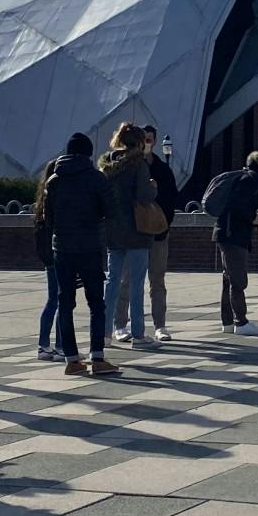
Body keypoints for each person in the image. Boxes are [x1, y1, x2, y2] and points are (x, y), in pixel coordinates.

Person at [40, 131, 120, 375]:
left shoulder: (54, 180)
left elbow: (48, 218)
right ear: (88, 153)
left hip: (62, 248)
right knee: (96, 302)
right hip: (89, 246)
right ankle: (97, 357)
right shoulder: (95, 178)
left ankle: (72, 359)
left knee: (66, 302)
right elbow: (112, 210)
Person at [114, 125, 177, 342]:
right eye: (144, 140)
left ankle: (160, 325)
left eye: (150, 140)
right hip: (134, 234)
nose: (146, 144)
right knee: (127, 280)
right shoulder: (129, 167)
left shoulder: (162, 169)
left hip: (157, 233)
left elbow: (170, 200)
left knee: (156, 280)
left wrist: (162, 223)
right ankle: (121, 324)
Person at [100, 123, 159, 349]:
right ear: (139, 142)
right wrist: (153, 187)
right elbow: (144, 196)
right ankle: (138, 334)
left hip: (113, 229)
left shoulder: (107, 164)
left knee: (112, 281)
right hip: (137, 230)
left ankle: (104, 333)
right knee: (136, 283)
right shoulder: (138, 165)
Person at [214, 151, 258, 337]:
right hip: (233, 235)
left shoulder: (242, 178)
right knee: (238, 280)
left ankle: (227, 322)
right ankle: (241, 322)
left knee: (229, 279)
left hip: (224, 233)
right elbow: (240, 207)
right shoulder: (251, 180)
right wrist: (255, 218)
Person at [32, 169, 59, 360]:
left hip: (48, 257)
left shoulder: (41, 204)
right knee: (62, 300)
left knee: (53, 300)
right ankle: (60, 345)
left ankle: (43, 344)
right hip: (58, 254)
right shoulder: (55, 200)